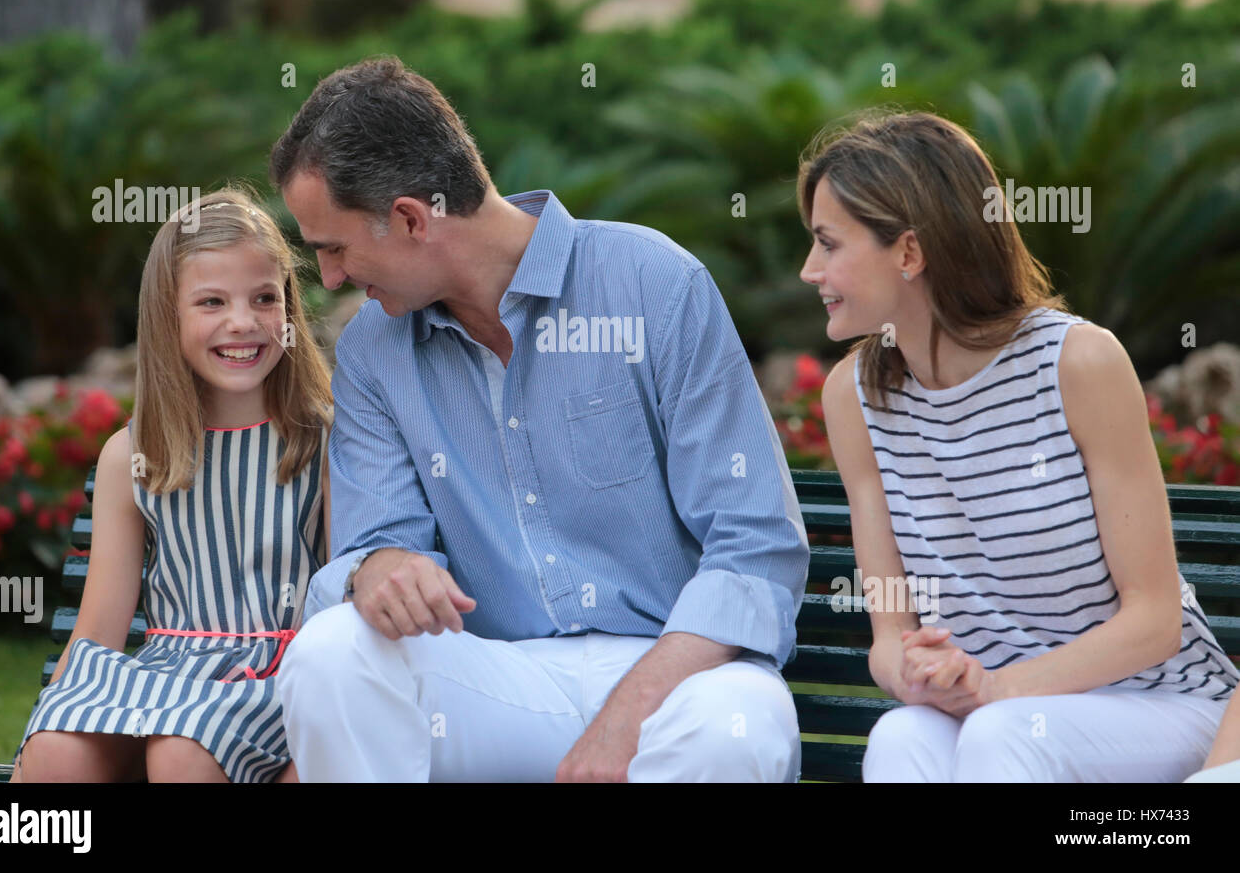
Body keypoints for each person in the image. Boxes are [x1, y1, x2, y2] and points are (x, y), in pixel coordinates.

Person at [271, 56, 810, 782]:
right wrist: (379, 567)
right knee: (331, 653)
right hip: (499, 681)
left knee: (737, 730)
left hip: (679, 671)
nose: (329, 278)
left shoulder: (656, 284)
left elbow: (755, 548)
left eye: (332, 248)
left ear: (409, 217)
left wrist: (625, 718)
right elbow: (378, 543)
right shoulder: (373, 348)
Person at [801, 111, 1239, 782]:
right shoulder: (853, 399)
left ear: (910, 253)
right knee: (902, 736)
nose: (810, 270)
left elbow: (1155, 620)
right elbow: (888, 634)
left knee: (1004, 734)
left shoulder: (1077, 364)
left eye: (829, 244)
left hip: (1158, 705)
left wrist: (998, 690)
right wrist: (917, 671)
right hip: (997, 714)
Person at [12, 189, 333, 783]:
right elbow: (99, 632)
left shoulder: (322, 441)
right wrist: (30, 748)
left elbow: (341, 608)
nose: (243, 321)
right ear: (168, 314)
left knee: (182, 754)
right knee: (56, 755)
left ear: (288, 309)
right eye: (211, 301)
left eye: (265, 298)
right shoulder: (133, 454)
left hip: (280, 677)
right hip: (167, 676)